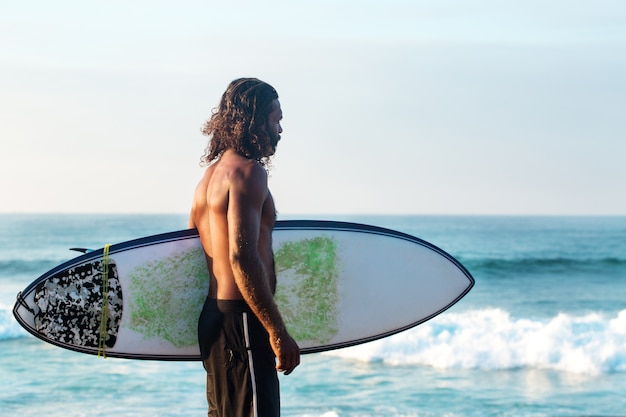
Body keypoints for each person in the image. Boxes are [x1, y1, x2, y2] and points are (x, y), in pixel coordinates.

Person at [189, 78, 300, 417]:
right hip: (243, 325)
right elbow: (242, 255)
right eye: (274, 119)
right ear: (253, 121)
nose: (279, 130)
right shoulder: (248, 174)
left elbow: (195, 252)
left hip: (215, 320)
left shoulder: (209, 177)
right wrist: (277, 332)